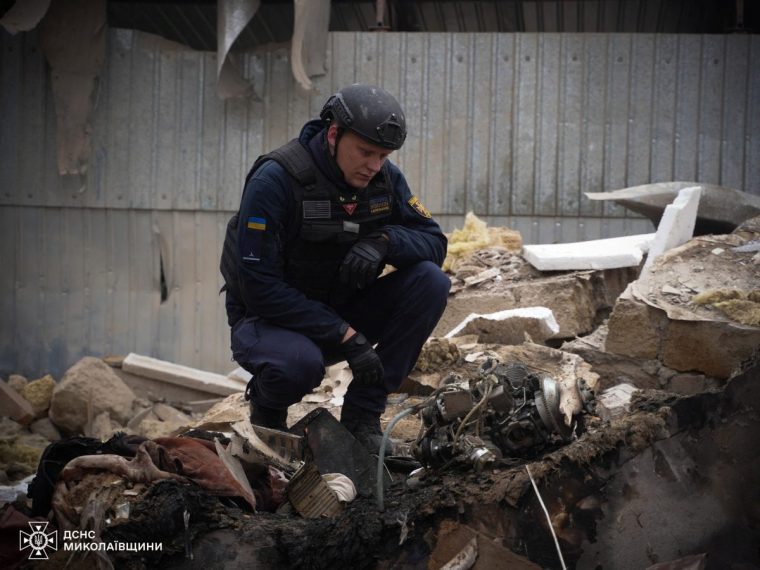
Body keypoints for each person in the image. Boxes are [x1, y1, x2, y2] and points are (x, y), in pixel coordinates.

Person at [220, 84, 450, 454]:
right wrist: (345, 336)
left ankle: (362, 417)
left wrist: (385, 241)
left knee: (431, 282)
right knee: (300, 365)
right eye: (365, 152)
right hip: (271, 321)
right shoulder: (276, 179)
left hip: (342, 307)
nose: (374, 166)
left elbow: (435, 243)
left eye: (383, 155)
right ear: (333, 134)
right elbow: (258, 285)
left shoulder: (384, 179)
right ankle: (268, 410)